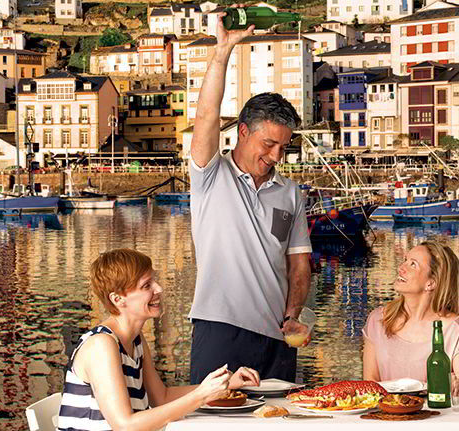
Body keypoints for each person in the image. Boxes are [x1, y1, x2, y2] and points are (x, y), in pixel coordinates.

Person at [186, 15, 312, 383]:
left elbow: (299, 266)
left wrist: (294, 311)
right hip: (219, 327)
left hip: (278, 335)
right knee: (211, 420)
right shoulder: (210, 174)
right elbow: (206, 116)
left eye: (284, 147)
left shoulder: (290, 192)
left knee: (280, 420)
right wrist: (222, 52)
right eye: (268, 144)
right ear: (243, 132)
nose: (276, 155)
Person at [57, 249, 260, 431]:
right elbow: (125, 425)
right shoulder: (102, 344)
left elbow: (161, 397)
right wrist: (201, 396)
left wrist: (226, 383)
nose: (159, 289)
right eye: (146, 285)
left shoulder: (135, 340)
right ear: (118, 299)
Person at [362, 241, 459, 382]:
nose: (401, 268)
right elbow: (369, 385)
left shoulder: (453, 328)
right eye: (405, 260)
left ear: (431, 282)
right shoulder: (377, 319)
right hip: (385, 404)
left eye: (413, 264)